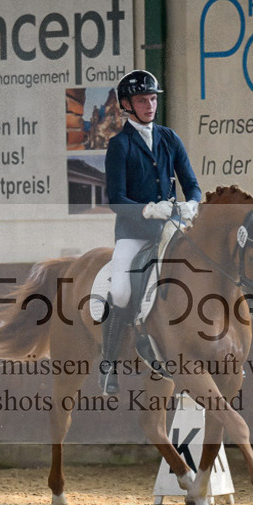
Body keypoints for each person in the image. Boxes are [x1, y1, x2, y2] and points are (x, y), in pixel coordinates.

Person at [100, 69, 202, 395]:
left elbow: (192, 184)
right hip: (133, 234)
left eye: (153, 99)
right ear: (127, 105)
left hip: (170, 229)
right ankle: (109, 364)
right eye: (143, 100)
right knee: (121, 293)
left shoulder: (170, 138)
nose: (150, 105)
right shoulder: (120, 145)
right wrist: (145, 209)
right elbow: (115, 198)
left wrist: (193, 204)